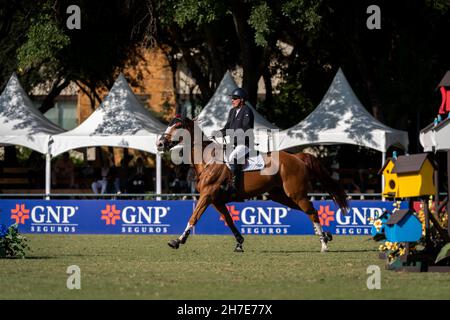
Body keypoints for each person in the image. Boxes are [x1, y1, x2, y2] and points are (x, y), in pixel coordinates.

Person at [211, 87, 254, 196]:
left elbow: (246, 128)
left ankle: (235, 188)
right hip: (233, 145)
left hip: (245, 144)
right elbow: (227, 128)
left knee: (232, 157)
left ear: (242, 100)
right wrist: (218, 133)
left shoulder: (247, 111)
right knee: (221, 159)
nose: (232, 100)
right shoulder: (232, 111)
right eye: (232, 98)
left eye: (235, 98)